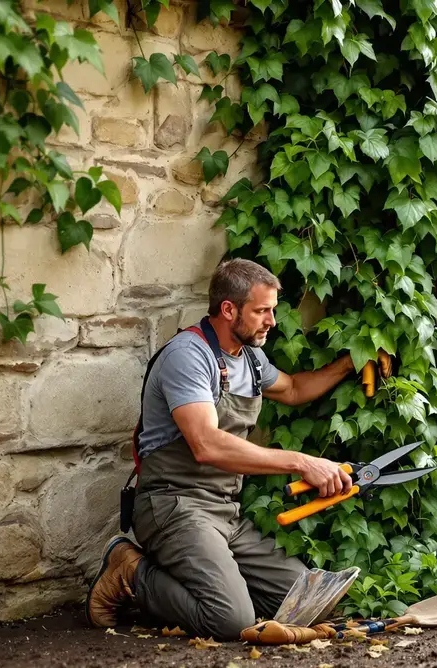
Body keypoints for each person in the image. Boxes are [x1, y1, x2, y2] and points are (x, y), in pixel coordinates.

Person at [85, 257, 375, 640]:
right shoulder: (188, 356)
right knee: (230, 621)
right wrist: (302, 462)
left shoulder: (250, 358)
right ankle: (130, 570)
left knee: (305, 600)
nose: (272, 320)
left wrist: (350, 365)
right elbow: (205, 444)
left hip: (225, 511)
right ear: (228, 309)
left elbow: (291, 389)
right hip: (173, 505)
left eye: (272, 310)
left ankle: (205, 581)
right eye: (262, 311)